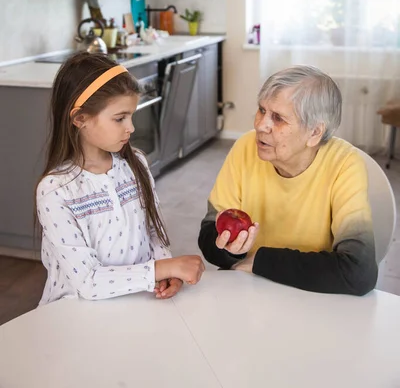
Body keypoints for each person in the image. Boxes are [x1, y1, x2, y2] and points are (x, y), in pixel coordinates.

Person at [36, 52, 204, 304]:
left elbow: (153, 230)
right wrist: (161, 270)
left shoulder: (135, 164)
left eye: (131, 116)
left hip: (137, 301)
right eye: (119, 118)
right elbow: (88, 281)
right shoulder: (55, 190)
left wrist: (166, 266)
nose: (131, 127)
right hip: (75, 318)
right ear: (80, 118)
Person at [198, 65, 378, 296]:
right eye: (262, 110)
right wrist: (231, 251)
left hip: (312, 298)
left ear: (314, 133)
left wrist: (258, 261)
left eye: (278, 118)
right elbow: (209, 237)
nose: (261, 125)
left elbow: (358, 272)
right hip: (253, 293)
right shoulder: (245, 147)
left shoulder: (344, 164)